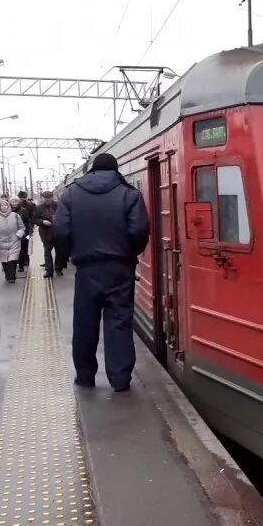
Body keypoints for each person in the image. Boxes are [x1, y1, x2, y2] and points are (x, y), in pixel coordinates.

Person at [55, 153, 149, 391]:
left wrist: (71, 255)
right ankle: (119, 380)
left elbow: (60, 231)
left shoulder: (71, 194)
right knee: (119, 322)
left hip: (86, 268)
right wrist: (128, 253)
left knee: (85, 323)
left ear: (92, 170)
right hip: (119, 268)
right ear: (116, 170)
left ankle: (85, 377)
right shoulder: (129, 194)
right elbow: (139, 231)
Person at [0, 199, 24, 283]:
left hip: (14, 241)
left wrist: (18, 235)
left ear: (8, 206)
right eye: (2, 206)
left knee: (12, 260)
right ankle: (8, 275)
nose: (4, 207)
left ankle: (11, 277)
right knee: (4, 261)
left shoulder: (15, 215)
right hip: (1, 243)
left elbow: (22, 228)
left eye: (5, 205)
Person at [32, 190, 61, 277]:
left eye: (49, 197)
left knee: (59, 252)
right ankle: (49, 271)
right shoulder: (38, 208)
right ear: (42, 198)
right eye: (46, 198)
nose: (48, 199)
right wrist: (42, 221)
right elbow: (34, 220)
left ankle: (58, 268)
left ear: (52, 197)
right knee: (47, 252)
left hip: (58, 232)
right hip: (45, 233)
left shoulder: (58, 205)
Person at [16, 191, 35, 273]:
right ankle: (20, 262)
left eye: (23, 197)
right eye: (20, 197)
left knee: (25, 246)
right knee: (19, 247)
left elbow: (31, 217)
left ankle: (25, 260)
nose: (21, 199)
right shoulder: (15, 206)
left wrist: (31, 228)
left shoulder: (30, 205)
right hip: (16, 229)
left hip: (26, 228)